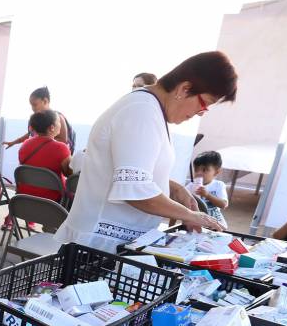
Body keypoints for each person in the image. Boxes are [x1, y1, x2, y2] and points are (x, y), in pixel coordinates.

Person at [55, 51, 237, 252]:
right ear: (185, 89)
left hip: (114, 241)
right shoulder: (141, 111)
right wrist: (190, 215)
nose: (200, 113)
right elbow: (136, 191)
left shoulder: (151, 109)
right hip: (101, 244)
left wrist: (175, 189)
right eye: (205, 104)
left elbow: (128, 172)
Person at [16, 109, 72, 201]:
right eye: (58, 121)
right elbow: (69, 173)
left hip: (25, 199)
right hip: (52, 202)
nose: (60, 124)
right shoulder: (61, 148)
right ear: (52, 127)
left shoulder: (25, 144)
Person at [4, 86, 75, 153]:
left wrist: (42, 142)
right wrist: (14, 142)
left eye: (34, 105)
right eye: (31, 105)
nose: (32, 108)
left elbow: (63, 140)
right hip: (42, 153)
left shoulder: (57, 117)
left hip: (55, 155)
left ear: (45, 101)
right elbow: (30, 134)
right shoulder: (36, 119)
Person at [188, 150, 228, 228]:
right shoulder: (190, 187)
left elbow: (223, 205)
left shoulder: (218, 185)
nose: (199, 173)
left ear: (216, 172)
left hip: (217, 225)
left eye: (204, 170)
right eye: (196, 170)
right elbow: (180, 203)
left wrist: (207, 195)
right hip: (197, 225)